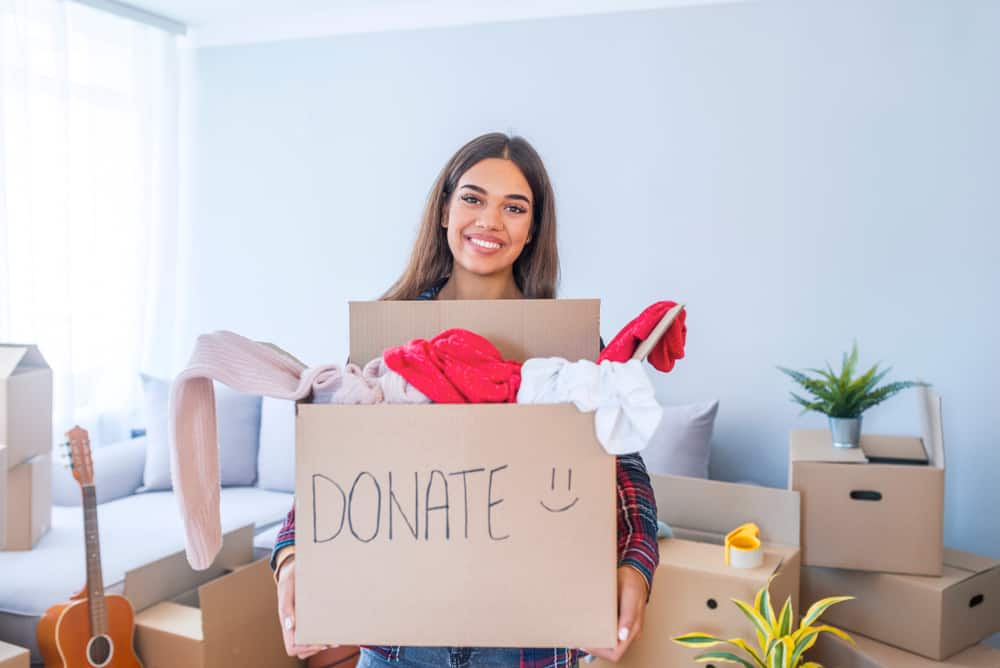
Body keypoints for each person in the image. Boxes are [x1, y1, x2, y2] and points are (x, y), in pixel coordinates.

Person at [271, 132, 659, 668]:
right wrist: (290, 557)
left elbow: (624, 465)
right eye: (473, 198)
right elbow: (336, 463)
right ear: (444, 212)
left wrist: (635, 567)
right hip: (401, 641)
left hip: (532, 643)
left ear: (533, 230)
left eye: (514, 207)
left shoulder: (568, 349)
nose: (490, 221)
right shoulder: (391, 336)